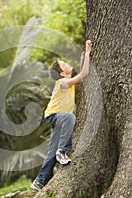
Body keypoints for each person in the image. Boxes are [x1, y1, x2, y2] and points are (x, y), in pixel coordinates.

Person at [30, 40, 92, 191]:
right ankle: (62, 151)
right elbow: (83, 74)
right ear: (63, 73)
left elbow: (80, 74)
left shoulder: (67, 82)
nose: (67, 63)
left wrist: (83, 58)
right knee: (70, 117)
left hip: (58, 119)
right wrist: (88, 52)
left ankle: (40, 181)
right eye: (64, 64)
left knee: (51, 151)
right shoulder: (62, 83)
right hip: (55, 116)